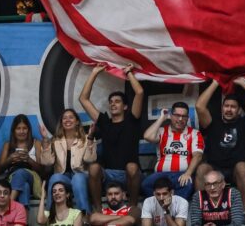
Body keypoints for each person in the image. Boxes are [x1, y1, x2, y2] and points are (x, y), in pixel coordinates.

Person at [79, 64, 145, 209]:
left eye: (117, 101)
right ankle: (98, 209)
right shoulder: (104, 122)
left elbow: (139, 92)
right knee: (94, 168)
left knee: (132, 167)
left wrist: (129, 73)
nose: (113, 104)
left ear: (125, 106)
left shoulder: (132, 120)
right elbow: (83, 99)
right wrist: (94, 73)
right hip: (108, 174)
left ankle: (133, 207)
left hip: (129, 175)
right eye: (111, 102)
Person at [195, 79, 245, 206]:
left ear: (239, 110)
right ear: (222, 108)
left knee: (241, 167)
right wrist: (216, 82)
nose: (229, 109)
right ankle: (203, 210)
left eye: (233, 107)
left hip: (238, 170)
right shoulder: (213, 122)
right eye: (226, 106)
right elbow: (199, 106)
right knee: (202, 169)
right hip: (215, 168)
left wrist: (244, 84)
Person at [143, 103, 204, 200]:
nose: (180, 119)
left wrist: (188, 173)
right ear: (171, 116)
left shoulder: (194, 133)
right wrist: (161, 118)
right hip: (160, 175)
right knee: (146, 184)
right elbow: (147, 136)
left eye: (184, 116)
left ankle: (176, 210)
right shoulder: (162, 131)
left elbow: (198, 156)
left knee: (187, 184)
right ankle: (161, 208)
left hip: (181, 175)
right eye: (177, 115)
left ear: (188, 118)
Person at [42, 109, 96, 212]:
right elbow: (46, 162)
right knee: (54, 177)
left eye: (71, 117)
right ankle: (50, 216)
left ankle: (85, 217)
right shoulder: (55, 140)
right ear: (61, 122)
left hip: (81, 176)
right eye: (64, 118)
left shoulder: (86, 138)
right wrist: (45, 140)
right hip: (64, 178)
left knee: (77, 178)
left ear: (77, 122)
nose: (67, 120)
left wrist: (90, 139)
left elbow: (90, 159)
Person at [0, 114, 48, 207]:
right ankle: (22, 221)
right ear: (13, 130)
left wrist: (28, 160)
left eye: (24, 128)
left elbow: (42, 171)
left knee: (21, 172)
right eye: (18, 128)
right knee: (24, 187)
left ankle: (7, 206)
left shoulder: (36, 143)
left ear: (29, 130)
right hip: (12, 178)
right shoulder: (8, 145)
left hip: (33, 178)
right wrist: (10, 159)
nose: (21, 131)